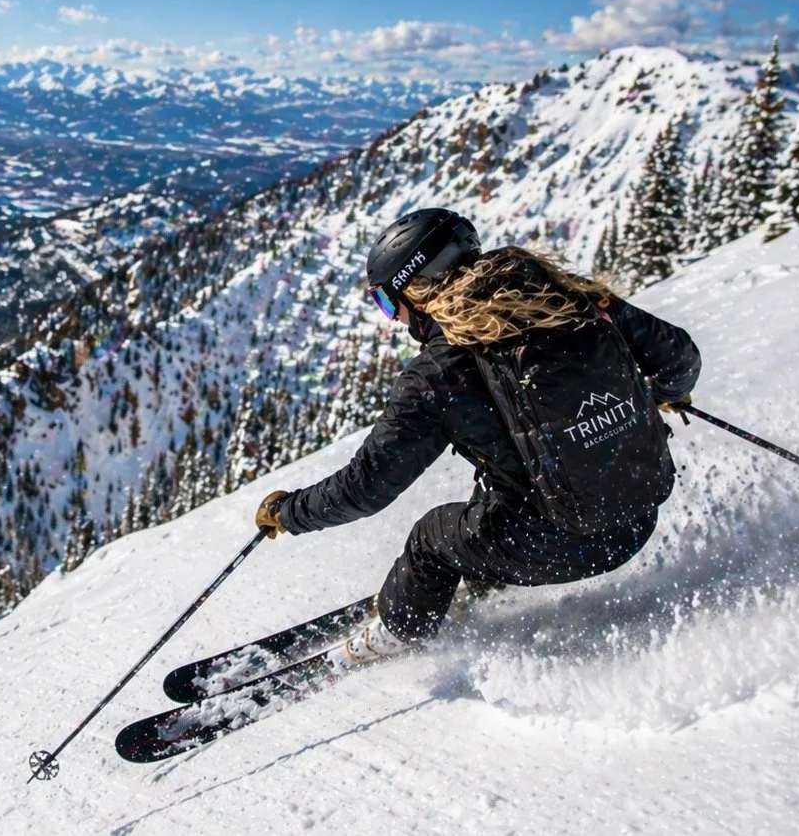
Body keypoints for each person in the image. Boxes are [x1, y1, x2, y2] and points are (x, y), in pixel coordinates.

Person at [255, 208, 700, 662]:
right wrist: (663, 394)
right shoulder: (566, 298)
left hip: (568, 544)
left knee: (430, 539)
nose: (394, 319)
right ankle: (483, 579)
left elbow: (367, 487)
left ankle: (395, 634)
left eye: (388, 303)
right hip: (639, 513)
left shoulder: (437, 373)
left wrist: (291, 512)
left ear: (415, 290)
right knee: (497, 484)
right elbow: (680, 358)